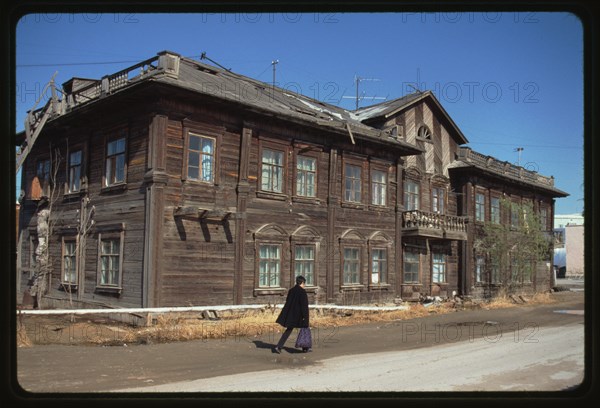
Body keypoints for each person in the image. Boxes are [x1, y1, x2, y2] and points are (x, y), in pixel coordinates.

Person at [274, 276, 311, 353]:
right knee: (305, 328)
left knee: (288, 330)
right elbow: (304, 306)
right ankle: (305, 347)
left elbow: (288, 302)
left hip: (291, 315)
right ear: (302, 283)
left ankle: (279, 346)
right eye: (304, 283)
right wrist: (306, 317)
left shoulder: (291, 290)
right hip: (299, 315)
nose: (304, 285)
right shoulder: (302, 292)